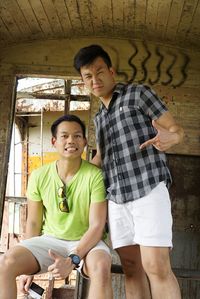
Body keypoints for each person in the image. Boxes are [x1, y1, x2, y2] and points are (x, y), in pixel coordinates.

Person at [73, 45, 184, 299]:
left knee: (156, 266)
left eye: (99, 71)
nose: (95, 79)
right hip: (117, 198)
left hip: (147, 187)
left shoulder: (138, 94)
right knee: (132, 268)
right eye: (88, 76)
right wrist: (74, 174)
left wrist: (172, 138)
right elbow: (101, 157)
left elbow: (176, 129)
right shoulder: (99, 118)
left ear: (111, 71)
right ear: (84, 83)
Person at [0, 114, 113, 299]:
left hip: (86, 241)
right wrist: (27, 271)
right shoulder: (38, 176)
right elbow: (34, 222)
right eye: (64, 136)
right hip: (50, 240)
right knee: (5, 262)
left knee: (101, 267)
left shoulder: (95, 176)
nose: (71, 140)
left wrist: (74, 259)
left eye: (77, 136)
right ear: (54, 141)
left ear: (84, 142)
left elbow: (97, 226)